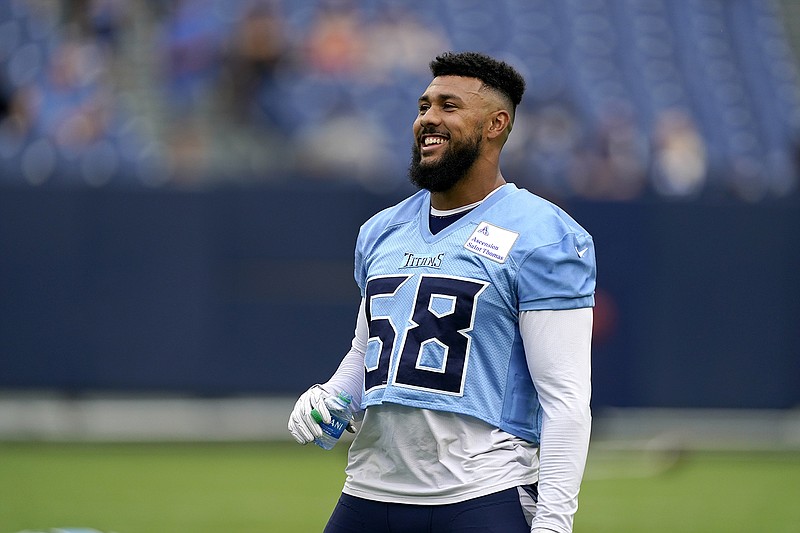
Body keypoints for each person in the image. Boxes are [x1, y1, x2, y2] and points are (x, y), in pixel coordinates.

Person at [288, 51, 596, 533]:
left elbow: (565, 401)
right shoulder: (381, 231)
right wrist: (334, 395)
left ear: (496, 123)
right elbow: (367, 350)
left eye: (448, 106)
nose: (427, 119)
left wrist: (554, 524)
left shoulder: (543, 234)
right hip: (369, 490)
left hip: (477, 492)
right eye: (424, 106)